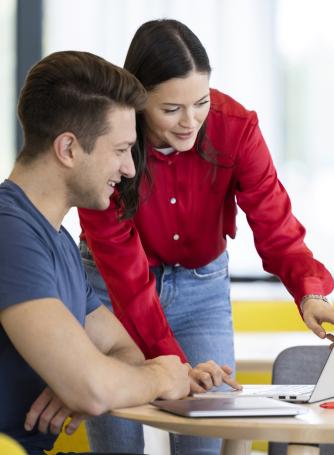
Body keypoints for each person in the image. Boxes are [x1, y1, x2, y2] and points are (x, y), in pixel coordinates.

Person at [78, 18, 334, 455]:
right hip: (112, 292)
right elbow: (125, 275)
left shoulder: (235, 127)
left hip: (201, 289)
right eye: (171, 110)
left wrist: (309, 292)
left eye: (200, 102)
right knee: (118, 443)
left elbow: (274, 220)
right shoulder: (105, 144)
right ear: (137, 100)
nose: (191, 122)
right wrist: (175, 365)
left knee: (206, 438)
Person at [0, 51, 192, 455]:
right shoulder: (9, 233)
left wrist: (82, 377)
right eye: (120, 149)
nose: (128, 169)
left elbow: (123, 351)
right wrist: (161, 375)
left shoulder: (56, 240)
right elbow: (94, 387)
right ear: (68, 148)